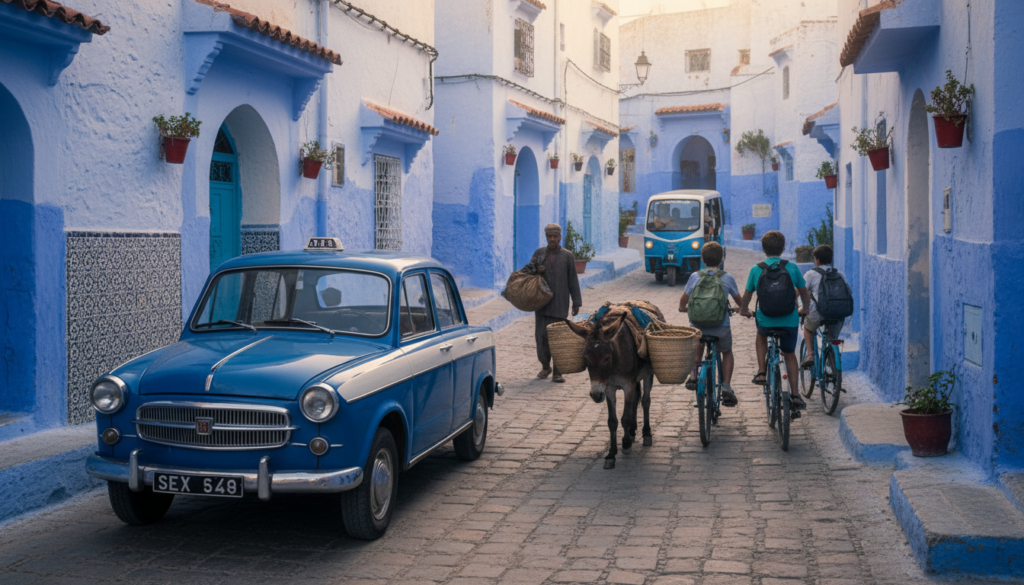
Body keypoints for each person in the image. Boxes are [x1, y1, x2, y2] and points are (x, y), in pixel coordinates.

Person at [738, 230, 811, 409]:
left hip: (766, 320)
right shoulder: (791, 267)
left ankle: (762, 372)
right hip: (790, 321)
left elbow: (747, 295)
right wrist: (805, 309)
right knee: (789, 355)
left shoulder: (757, 269)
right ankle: (795, 395)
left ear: (763, 248)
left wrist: (744, 310)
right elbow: (804, 292)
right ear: (783, 248)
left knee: (761, 335)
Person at [678, 242, 743, 406]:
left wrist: (682, 309)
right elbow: (740, 301)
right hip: (721, 327)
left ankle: (693, 375)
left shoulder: (695, 276)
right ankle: (726, 385)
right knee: (727, 351)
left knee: (697, 345)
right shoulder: (727, 277)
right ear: (722, 259)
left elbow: (682, 302)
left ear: (702, 259)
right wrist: (743, 309)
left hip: (698, 326)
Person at [531, 223, 582, 383]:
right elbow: (527, 273)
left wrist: (576, 302)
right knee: (541, 338)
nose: (552, 239)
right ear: (546, 237)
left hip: (560, 305)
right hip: (541, 305)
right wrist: (535, 270)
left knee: (558, 339)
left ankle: (558, 372)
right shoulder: (539, 254)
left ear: (560, 237)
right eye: (549, 236)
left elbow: (573, 280)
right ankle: (546, 367)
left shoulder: (568, 256)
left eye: (555, 236)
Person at [801, 245, 852, 367]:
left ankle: (810, 354)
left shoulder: (810, 274)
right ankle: (833, 362)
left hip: (817, 314)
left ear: (817, 259)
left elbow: (802, 292)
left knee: (808, 329)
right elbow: (849, 292)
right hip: (837, 313)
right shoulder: (839, 274)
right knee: (831, 337)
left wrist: (802, 307)